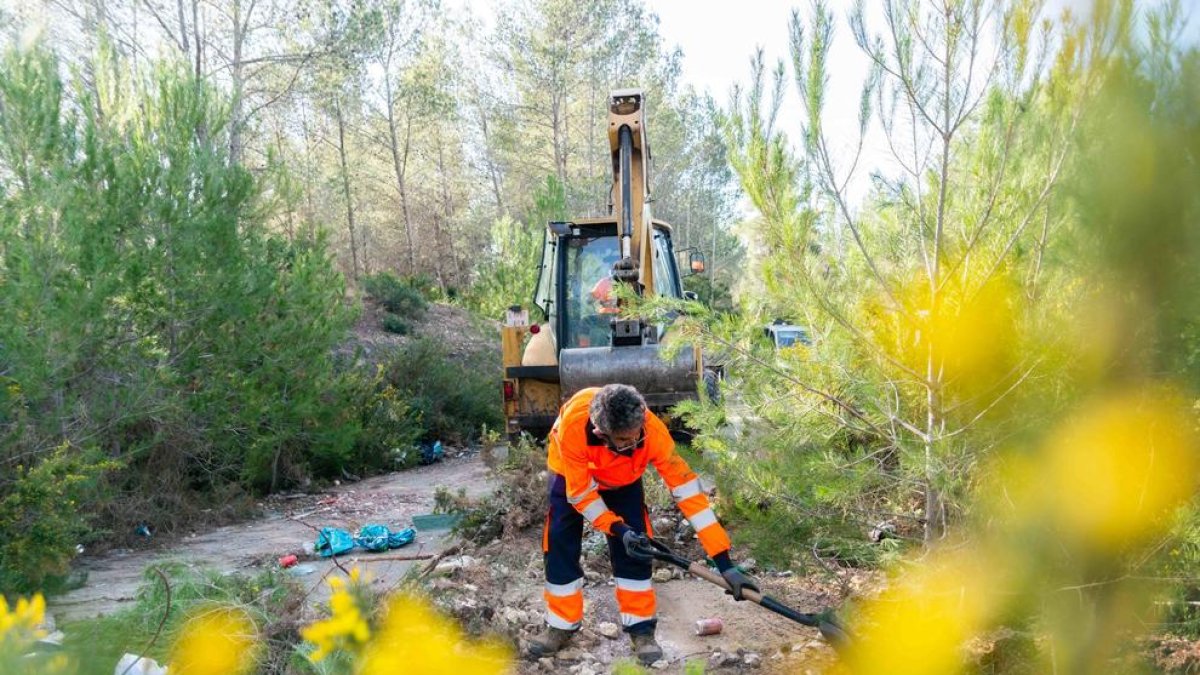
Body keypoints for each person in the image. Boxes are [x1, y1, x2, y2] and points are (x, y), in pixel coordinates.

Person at [526, 384, 758, 664]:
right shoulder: (574, 427)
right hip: (569, 474)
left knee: (636, 549)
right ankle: (561, 626)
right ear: (601, 433)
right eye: (625, 440)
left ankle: (641, 629)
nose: (635, 442)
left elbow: (688, 493)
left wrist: (724, 563)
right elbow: (581, 495)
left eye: (637, 435)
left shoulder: (651, 429)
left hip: (624, 480)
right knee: (560, 543)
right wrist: (617, 528)